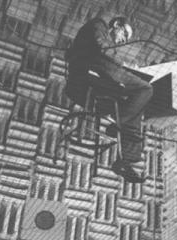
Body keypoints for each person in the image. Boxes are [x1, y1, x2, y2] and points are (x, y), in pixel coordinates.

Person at [65, 16, 153, 183]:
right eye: (124, 34)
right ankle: (118, 126)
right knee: (146, 89)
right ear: (116, 25)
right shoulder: (99, 25)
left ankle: (125, 161)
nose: (124, 40)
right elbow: (102, 47)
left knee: (135, 106)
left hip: (97, 78)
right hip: (88, 73)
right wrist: (124, 66)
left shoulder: (109, 45)